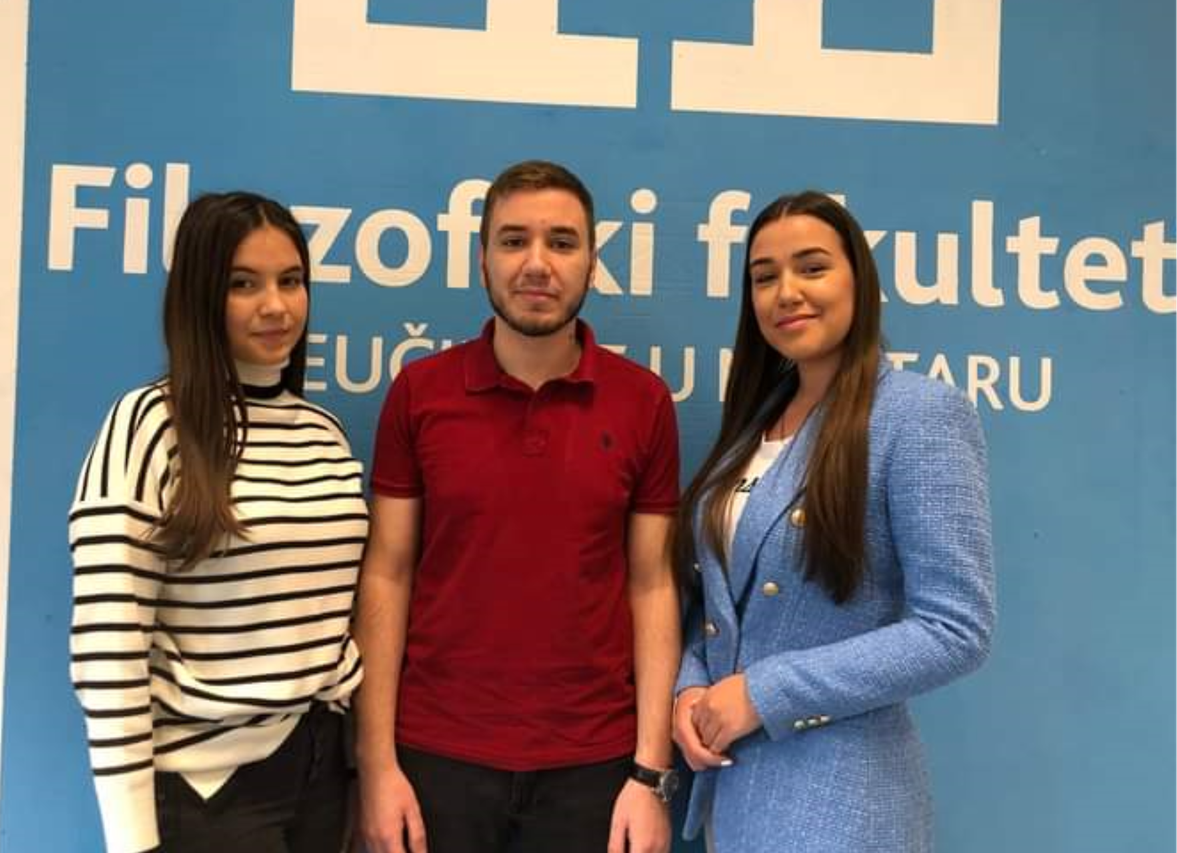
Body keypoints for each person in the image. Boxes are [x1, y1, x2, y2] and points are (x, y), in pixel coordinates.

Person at [354, 160, 681, 853]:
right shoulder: (420, 393)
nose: (537, 263)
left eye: (562, 242)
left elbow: (652, 584)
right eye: (513, 240)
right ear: (482, 259)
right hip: (434, 757)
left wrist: (650, 775)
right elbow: (387, 571)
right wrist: (377, 765)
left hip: (595, 765)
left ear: (592, 262)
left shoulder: (644, 401)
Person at [671, 191, 996, 852]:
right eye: (765, 276)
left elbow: (956, 628)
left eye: (812, 267)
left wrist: (764, 692)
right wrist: (689, 688)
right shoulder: (752, 427)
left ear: (859, 281)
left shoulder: (919, 415)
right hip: (732, 800)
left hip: (842, 803)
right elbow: (718, 605)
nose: (787, 292)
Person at [68, 191, 366, 853]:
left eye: (291, 280)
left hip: (321, 771)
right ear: (200, 295)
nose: (276, 306)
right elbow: (109, 647)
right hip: (209, 791)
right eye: (243, 284)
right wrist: (133, 838)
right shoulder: (150, 426)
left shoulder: (325, 433)